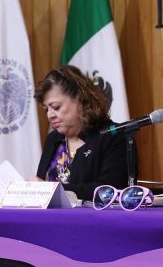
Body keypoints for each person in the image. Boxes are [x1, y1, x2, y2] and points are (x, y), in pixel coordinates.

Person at [32, 65, 133, 201]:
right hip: (51, 220)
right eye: (46, 110)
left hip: (95, 220)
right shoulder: (53, 139)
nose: (50, 115)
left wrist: (49, 189)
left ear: (80, 99)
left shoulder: (114, 136)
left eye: (56, 107)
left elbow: (109, 191)